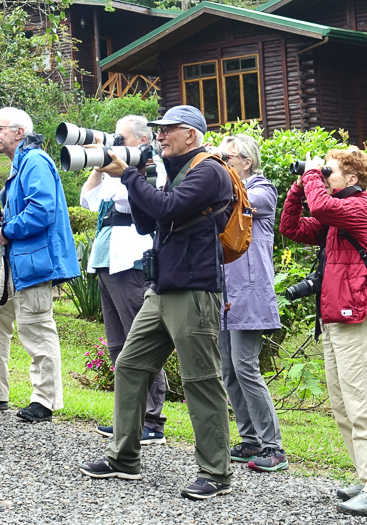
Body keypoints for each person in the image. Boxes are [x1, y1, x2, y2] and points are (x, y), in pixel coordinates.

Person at [79, 105, 235, 501]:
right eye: (158, 130)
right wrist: (138, 178)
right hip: (162, 286)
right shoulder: (176, 171)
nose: (161, 135)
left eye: (169, 130)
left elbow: (166, 208)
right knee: (130, 365)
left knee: (201, 380)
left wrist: (129, 174)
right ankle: (124, 457)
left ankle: (215, 473)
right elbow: (150, 222)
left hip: (195, 289)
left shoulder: (210, 170)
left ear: (192, 135)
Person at [279, 146, 367, 516]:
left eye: (331, 170)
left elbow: (323, 207)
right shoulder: (336, 217)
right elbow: (292, 227)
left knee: (364, 404)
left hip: (357, 316)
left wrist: (312, 176)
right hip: (335, 318)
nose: (325, 175)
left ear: (353, 179)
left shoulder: (358, 209)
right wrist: (301, 185)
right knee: (345, 406)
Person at [0, 107, 79, 423]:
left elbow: (42, 211)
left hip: (34, 262)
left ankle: (45, 401)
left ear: (19, 132)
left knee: (36, 327)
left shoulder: (34, 160)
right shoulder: (19, 164)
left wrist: (6, 230)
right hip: (13, 262)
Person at [80, 115, 168, 444]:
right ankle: (128, 418)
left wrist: (121, 167)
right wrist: (98, 161)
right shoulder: (117, 167)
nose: (117, 143)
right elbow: (87, 200)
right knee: (119, 345)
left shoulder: (152, 166)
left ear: (142, 141)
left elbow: (137, 200)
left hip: (131, 260)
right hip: (106, 260)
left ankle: (152, 420)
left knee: (139, 341)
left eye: (122, 138)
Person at [216, 134, 287, 472]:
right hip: (226, 293)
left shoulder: (264, 190)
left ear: (246, 161)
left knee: (246, 366)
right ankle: (250, 441)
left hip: (251, 292)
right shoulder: (231, 187)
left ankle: (273, 448)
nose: (223, 163)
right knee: (229, 370)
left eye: (228, 158)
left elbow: (240, 201)